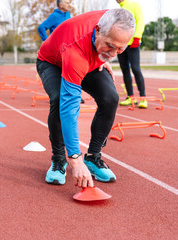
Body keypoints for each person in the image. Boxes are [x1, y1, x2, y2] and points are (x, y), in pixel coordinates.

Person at [36, 9, 135, 188]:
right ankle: (59, 160)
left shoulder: (115, 19)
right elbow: (69, 108)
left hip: (88, 59)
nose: (113, 54)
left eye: (120, 48)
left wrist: (103, 57)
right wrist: (75, 157)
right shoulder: (75, 51)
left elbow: (112, 45)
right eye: (110, 46)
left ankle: (93, 158)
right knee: (59, 100)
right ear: (97, 30)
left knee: (110, 97)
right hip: (52, 62)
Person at [116, 0, 147, 108]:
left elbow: (140, 21)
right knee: (125, 71)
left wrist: (137, 37)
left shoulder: (134, 5)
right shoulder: (118, 10)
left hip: (133, 43)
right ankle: (130, 97)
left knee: (135, 69)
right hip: (121, 44)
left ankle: (143, 98)